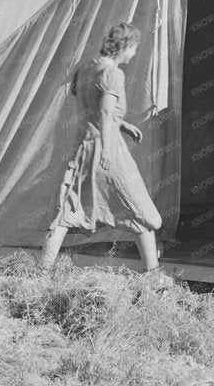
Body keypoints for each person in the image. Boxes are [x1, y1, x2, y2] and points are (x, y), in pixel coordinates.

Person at [40, 22, 162, 273]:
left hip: (82, 147)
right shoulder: (113, 74)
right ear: (125, 46)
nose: (135, 53)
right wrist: (107, 147)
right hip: (107, 150)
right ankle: (153, 274)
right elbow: (105, 111)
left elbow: (92, 107)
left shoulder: (85, 68)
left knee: (66, 206)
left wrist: (123, 124)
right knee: (139, 207)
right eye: (134, 47)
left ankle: (43, 271)